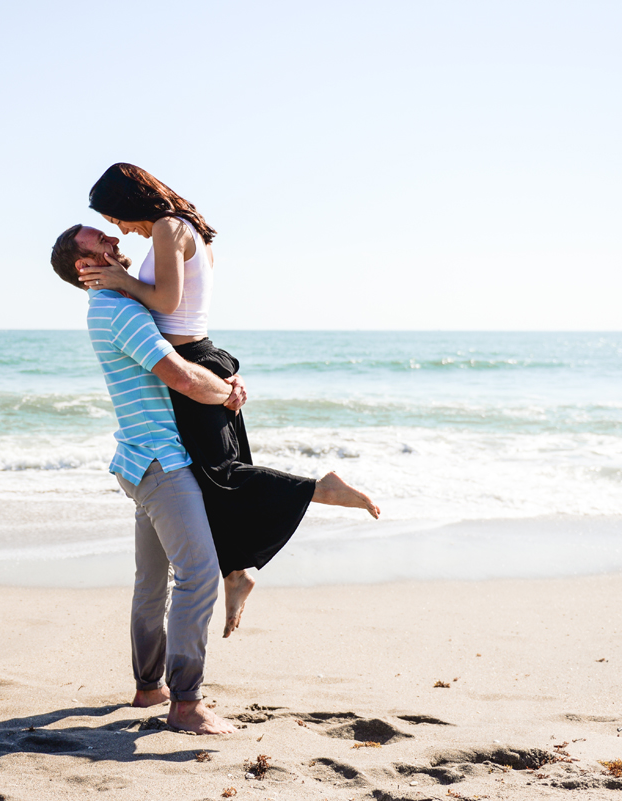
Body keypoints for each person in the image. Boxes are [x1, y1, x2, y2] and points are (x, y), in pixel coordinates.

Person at [71, 164, 380, 641]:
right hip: (202, 354)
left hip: (192, 358)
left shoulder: (170, 228)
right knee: (215, 478)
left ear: (130, 201)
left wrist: (119, 281)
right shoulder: (184, 226)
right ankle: (237, 571)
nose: (121, 231)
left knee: (221, 475)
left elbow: (169, 303)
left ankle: (319, 488)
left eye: (116, 218)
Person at [50, 223, 240, 735]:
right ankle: (186, 704)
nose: (117, 246)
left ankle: (149, 687)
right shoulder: (119, 310)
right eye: (102, 244)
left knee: (152, 583)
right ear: (82, 266)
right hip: (161, 463)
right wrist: (225, 393)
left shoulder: (115, 306)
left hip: (138, 461)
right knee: (198, 577)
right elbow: (177, 374)